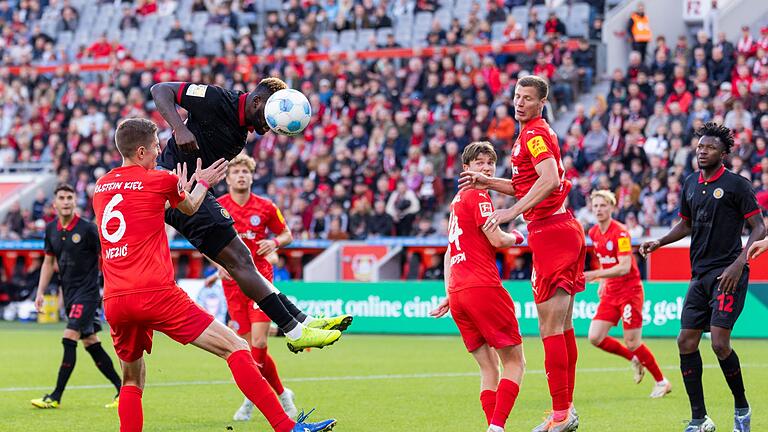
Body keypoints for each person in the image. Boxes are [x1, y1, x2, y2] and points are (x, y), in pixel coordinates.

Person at [93, 118, 336, 432]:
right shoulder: (160, 179)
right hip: (155, 292)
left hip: (114, 299)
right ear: (140, 151)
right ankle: (286, 427)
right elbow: (192, 208)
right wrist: (202, 181)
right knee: (236, 347)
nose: (158, 152)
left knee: (132, 378)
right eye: (155, 146)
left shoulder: (102, 185)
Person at [150, 78, 350, 353]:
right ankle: (295, 330)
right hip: (177, 187)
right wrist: (179, 128)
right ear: (257, 102)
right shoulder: (216, 99)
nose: (267, 130)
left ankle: (302, 321)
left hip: (194, 191)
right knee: (242, 261)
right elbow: (160, 90)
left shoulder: (240, 135)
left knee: (244, 261)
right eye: (267, 122)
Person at [460, 75, 585, 432]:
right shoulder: (530, 134)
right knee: (563, 325)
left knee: (549, 328)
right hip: (560, 229)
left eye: (527, 98)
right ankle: (566, 409)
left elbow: (548, 181)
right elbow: (527, 184)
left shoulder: (534, 134)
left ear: (541, 103)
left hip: (551, 234)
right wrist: (489, 182)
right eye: (517, 96)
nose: (520, 103)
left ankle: (560, 414)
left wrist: (510, 212)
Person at [640, 122, 765, 432]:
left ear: (723, 153)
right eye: (699, 147)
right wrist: (660, 241)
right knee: (685, 341)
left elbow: (759, 228)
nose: (702, 151)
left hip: (728, 274)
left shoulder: (738, 185)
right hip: (699, 274)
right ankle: (700, 418)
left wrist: (740, 263)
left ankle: (741, 409)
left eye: (709, 148)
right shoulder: (691, 183)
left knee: (720, 343)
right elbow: (686, 225)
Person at [216, 154, 327, 421]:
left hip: (260, 281)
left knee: (260, 341)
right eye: (236, 172)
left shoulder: (266, 206)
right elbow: (204, 240)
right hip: (232, 285)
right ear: (228, 178)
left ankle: (250, 398)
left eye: (245, 171)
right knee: (245, 347)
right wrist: (216, 263)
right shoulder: (218, 206)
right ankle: (281, 393)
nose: (241, 175)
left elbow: (287, 234)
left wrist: (275, 243)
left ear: (252, 176)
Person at [431, 142, 525, 432]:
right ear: (466, 168)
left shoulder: (456, 202)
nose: (485, 168)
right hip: (482, 286)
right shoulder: (480, 195)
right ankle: (496, 427)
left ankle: (494, 427)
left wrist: (449, 293)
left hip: (459, 292)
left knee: (488, 368)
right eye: (479, 163)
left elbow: (449, 252)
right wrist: (518, 237)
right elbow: (497, 239)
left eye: (490, 164)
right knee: (515, 363)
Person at [30, 184, 123, 409]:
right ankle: (122, 390)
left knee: (68, 337)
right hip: (70, 294)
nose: (65, 201)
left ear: (75, 201)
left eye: (69, 197)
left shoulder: (88, 229)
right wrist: (40, 292)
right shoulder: (51, 229)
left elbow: (108, 256)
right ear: (54, 203)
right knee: (91, 343)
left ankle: (55, 396)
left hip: (88, 294)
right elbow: (49, 261)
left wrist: (114, 284)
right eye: (61, 197)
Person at [585, 190, 671, 398]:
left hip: (629, 291)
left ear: (612, 208)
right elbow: (607, 260)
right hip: (611, 292)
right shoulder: (594, 232)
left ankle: (662, 381)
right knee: (595, 337)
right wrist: (603, 281)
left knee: (633, 341)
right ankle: (633, 358)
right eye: (595, 206)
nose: (598, 209)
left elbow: (624, 267)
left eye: (603, 205)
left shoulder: (621, 233)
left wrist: (596, 274)